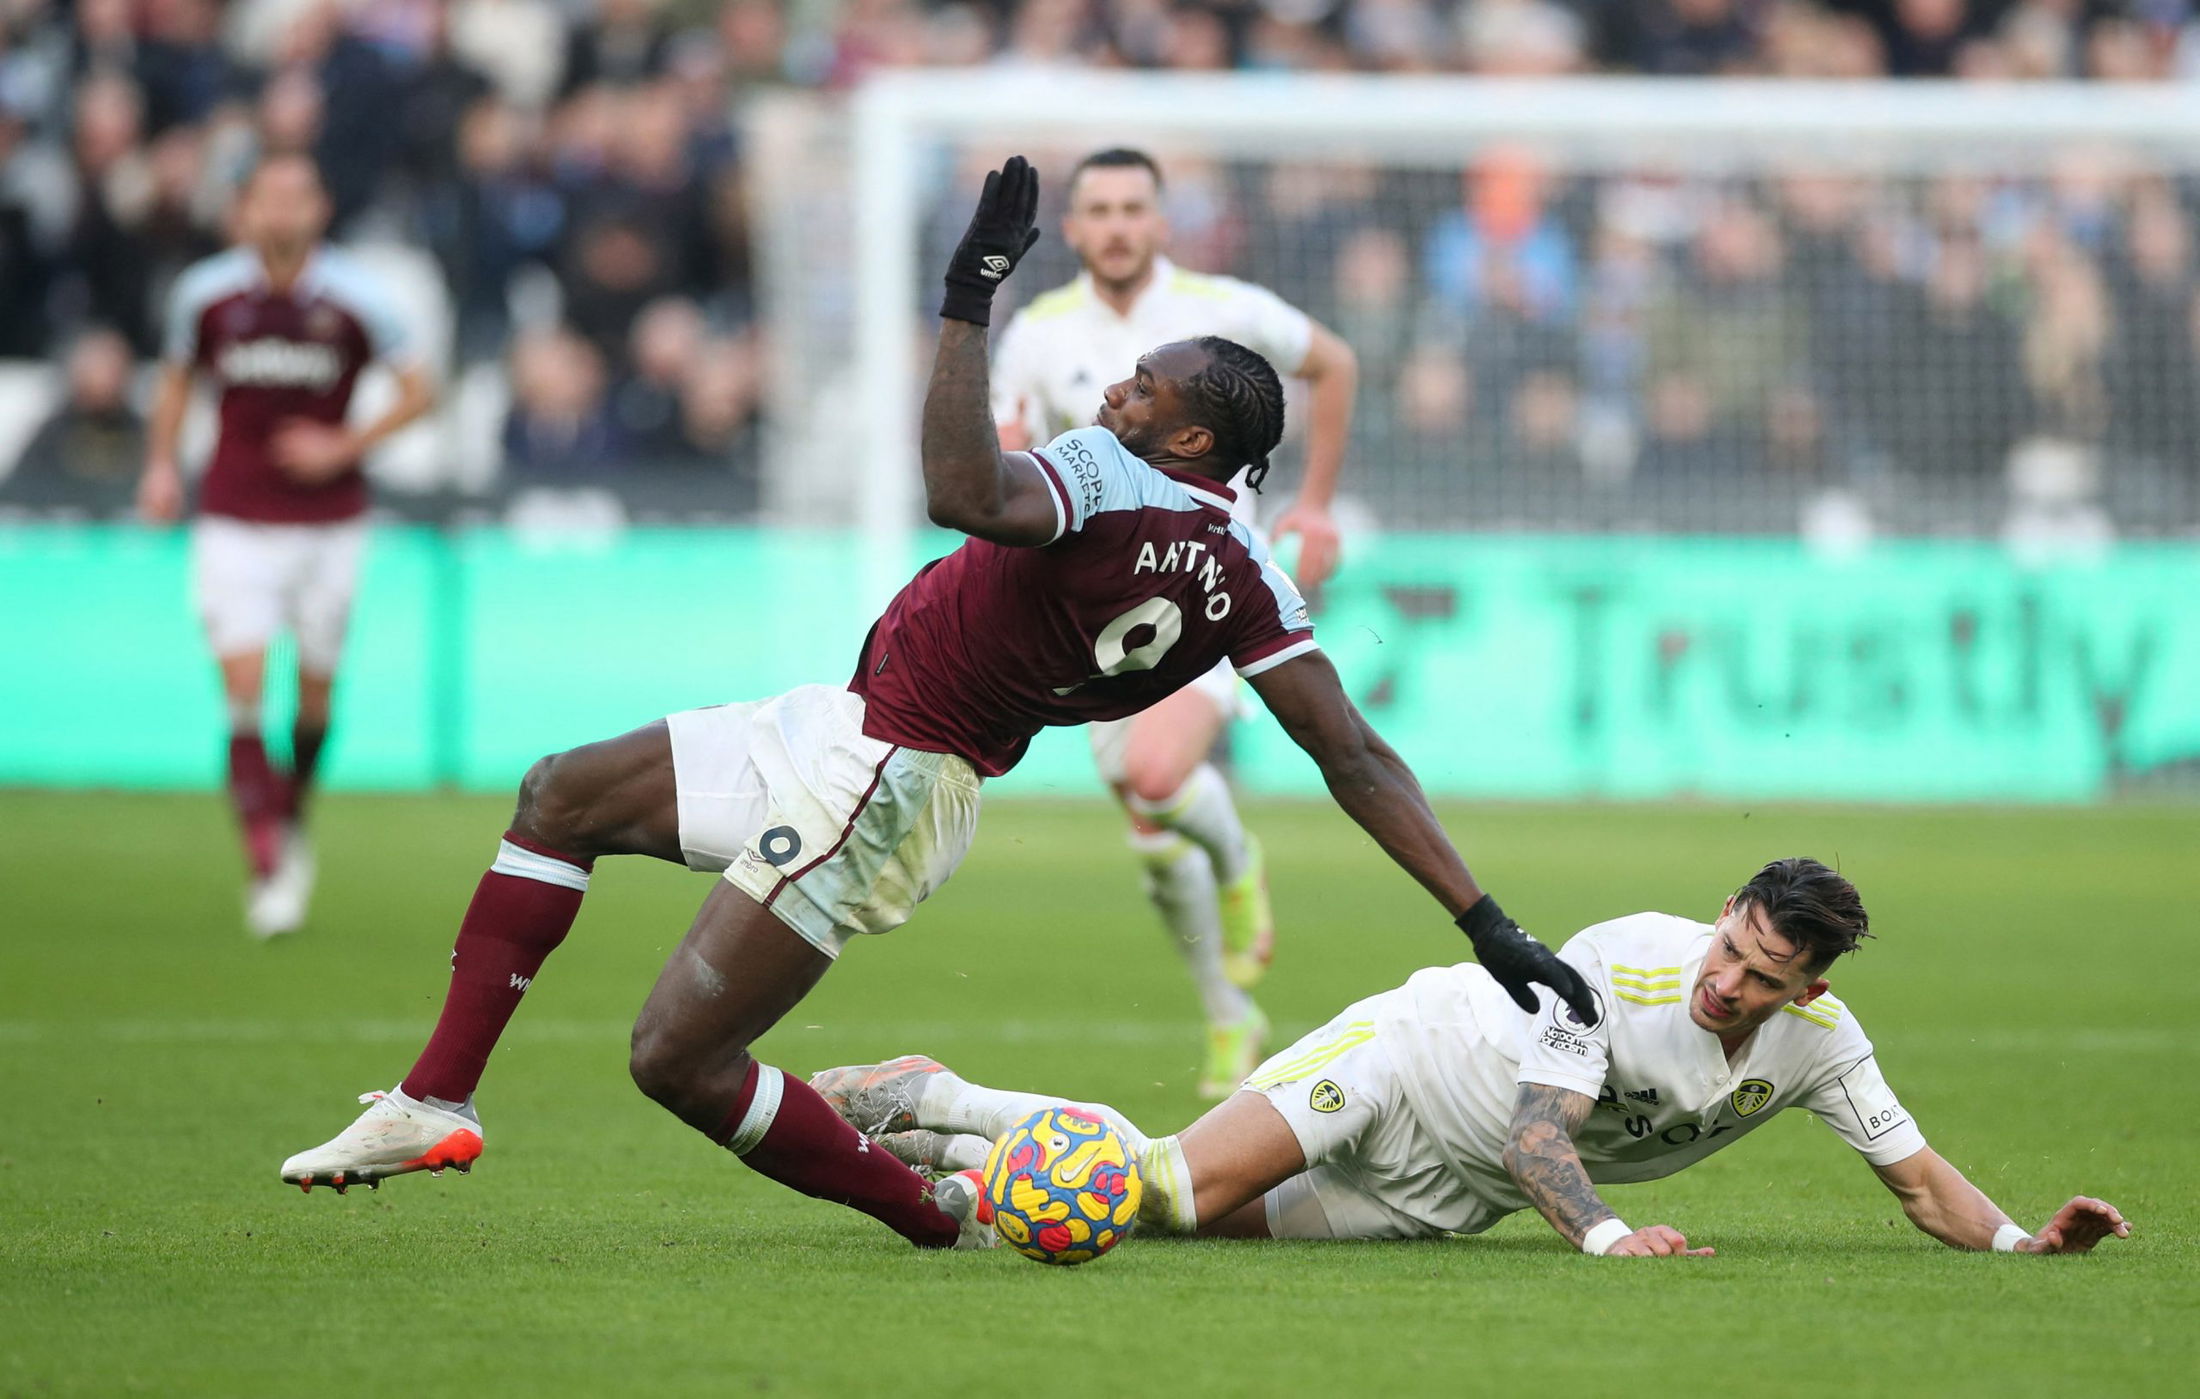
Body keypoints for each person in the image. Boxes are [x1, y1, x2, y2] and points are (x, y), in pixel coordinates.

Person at [277, 157, 1594, 1255]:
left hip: (887, 774)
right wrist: (1487, 920)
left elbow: (962, 492)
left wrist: (966, 298)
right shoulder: (1249, 575)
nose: (1116, 392)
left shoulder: (1106, 469)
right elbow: (1352, 753)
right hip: (857, 735)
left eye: (1146, 387)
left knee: (675, 1056)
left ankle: (929, 1212)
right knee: (560, 789)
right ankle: (435, 1096)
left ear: (1190, 438)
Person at [814, 857, 2130, 1258]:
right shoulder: (1628, 958)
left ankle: (939, 1134)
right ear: (1721, 916)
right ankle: (946, 1100)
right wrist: (1613, 1239)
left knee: (1163, 1209)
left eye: (1761, 976)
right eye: (1729, 944)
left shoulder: (1823, 1049)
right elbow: (1538, 1133)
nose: (1726, 979)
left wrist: (2026, 1242)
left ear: (1810, 987)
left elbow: (1918, 1181)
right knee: (1162, 1186)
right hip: (1413, 1058)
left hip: (1441, 1197)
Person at [991, 148, 1362, 1099]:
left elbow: (1334, 363)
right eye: (1099, 210)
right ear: (1072, 230)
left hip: (1201, 582)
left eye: (1133, 208)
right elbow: (1007, 457)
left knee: (1157, 775)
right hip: (1088, 599)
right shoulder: (1037, 333)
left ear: (1161, 223)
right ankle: (1229, 1014)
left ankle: (1238, 860)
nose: (1116, 225)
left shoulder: (1223, 308)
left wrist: (1313, 504)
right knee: (1148, 816)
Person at [136, 154, 436, 937]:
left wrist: (345, 446)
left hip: (330, 523)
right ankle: (268, 862)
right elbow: (176, 380)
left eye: (296, 197)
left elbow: (420, 390)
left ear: (320, 208)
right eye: (268, 198)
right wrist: (162, 467)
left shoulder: (359, 299)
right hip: (234, 515)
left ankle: (291, 810)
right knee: (241, 688)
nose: (281, 212)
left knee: (313, 701)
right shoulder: (206, 295)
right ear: (246, 210)